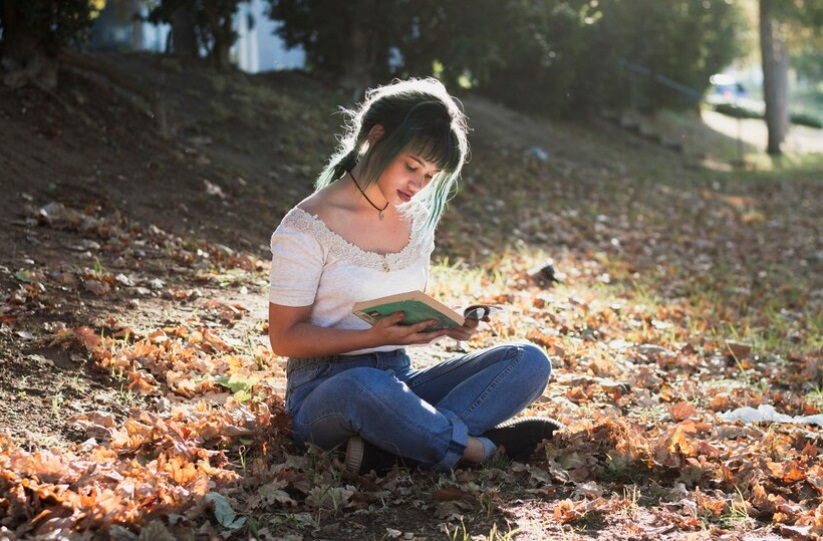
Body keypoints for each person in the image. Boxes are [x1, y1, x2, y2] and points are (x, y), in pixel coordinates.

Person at [268, 78, 559, 475]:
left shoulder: (415, 220)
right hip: (327, 391)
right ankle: (481, 450)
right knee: (366, 387)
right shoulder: (307, 225)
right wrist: (371, 338)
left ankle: (397, 447)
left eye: (430, 175)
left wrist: (444, 324)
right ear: (377, 137)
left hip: (399, 379)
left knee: (528, 361)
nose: (419, 186)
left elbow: (396, 308)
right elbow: (284, 338)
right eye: (412, 167)